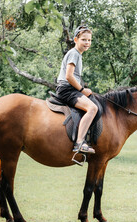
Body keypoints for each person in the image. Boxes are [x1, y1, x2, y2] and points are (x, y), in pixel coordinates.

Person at [56, 25, 98, 154]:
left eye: (89, 40)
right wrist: (82, 89)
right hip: (67, 89)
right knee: (92, 108)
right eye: (84, 40)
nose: (87, 43)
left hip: (70, 89)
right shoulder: (74, 54)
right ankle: (79, 142)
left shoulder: (78, 55)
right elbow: (69, 76)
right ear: (75, 40)